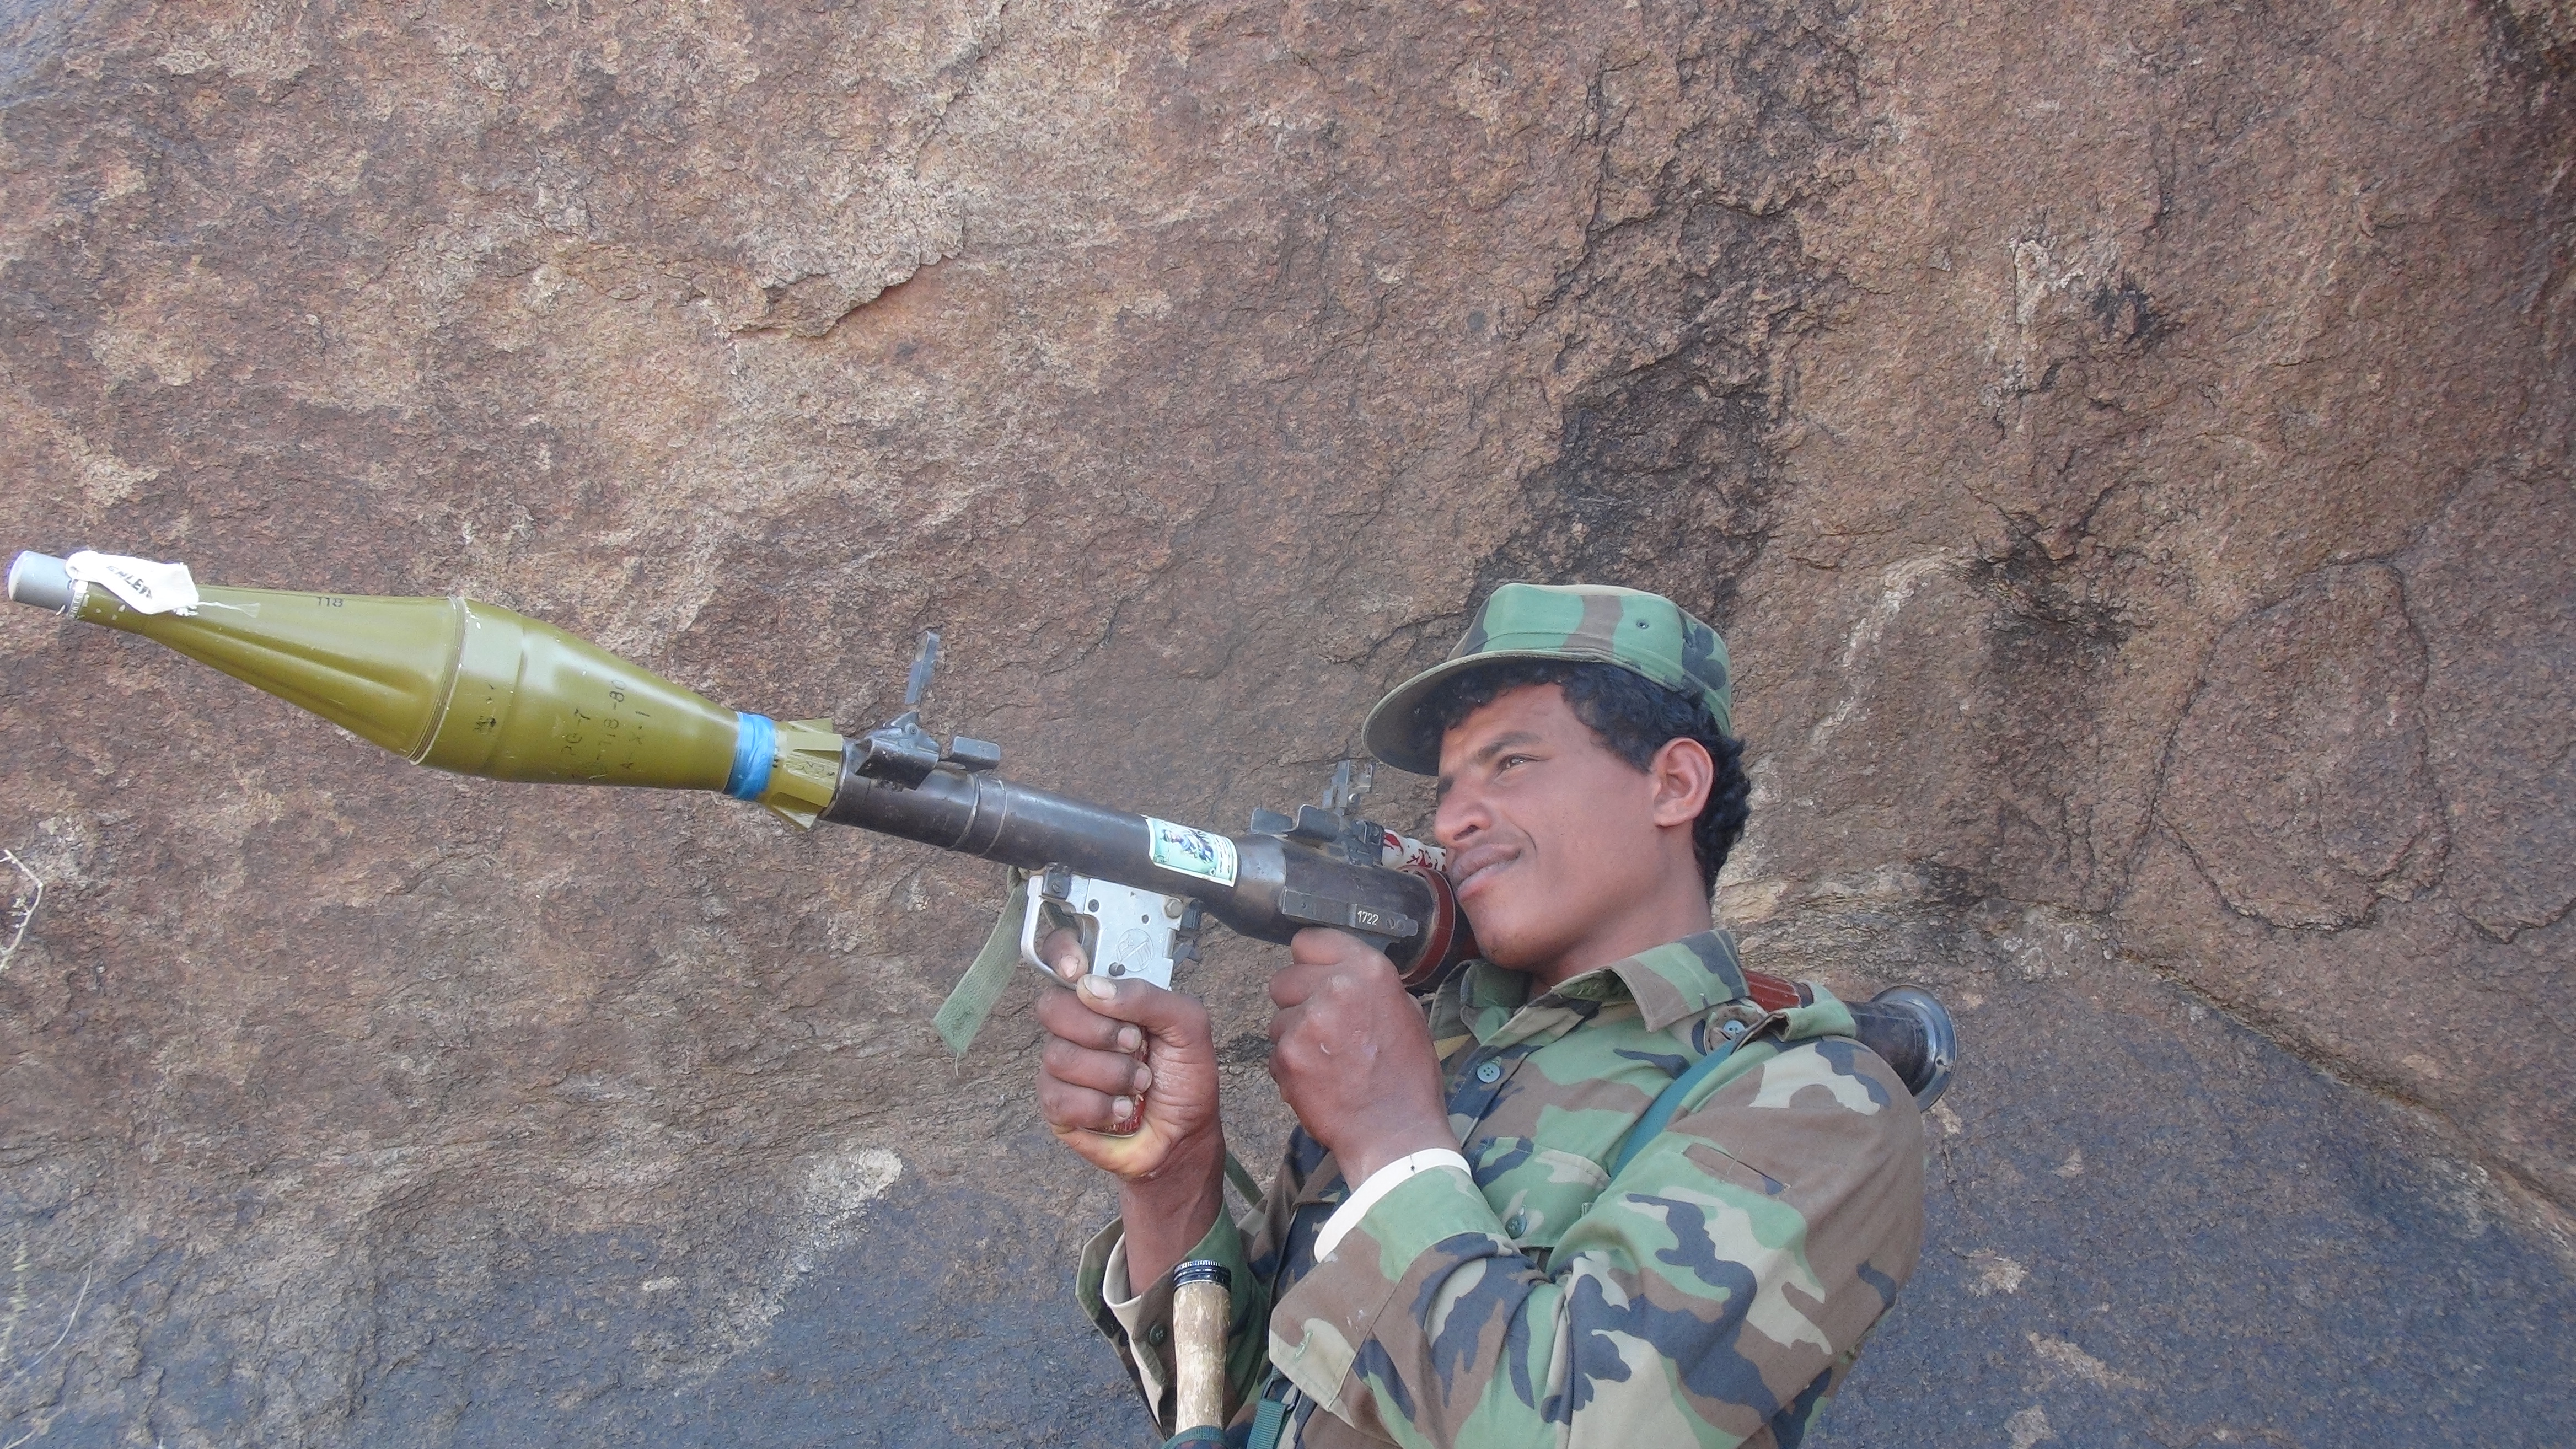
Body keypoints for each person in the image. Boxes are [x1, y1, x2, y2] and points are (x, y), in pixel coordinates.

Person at [1033, 583, 1925, 1448]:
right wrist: (1174, 1178)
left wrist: (1391, 1141)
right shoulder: (1437, 1059)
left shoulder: (1819, 1105)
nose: (1455, 818)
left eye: (1511, 763)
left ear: (1673, 784)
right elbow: (1241, 1406)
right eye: (1446, 790)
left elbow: (1578, 1429)